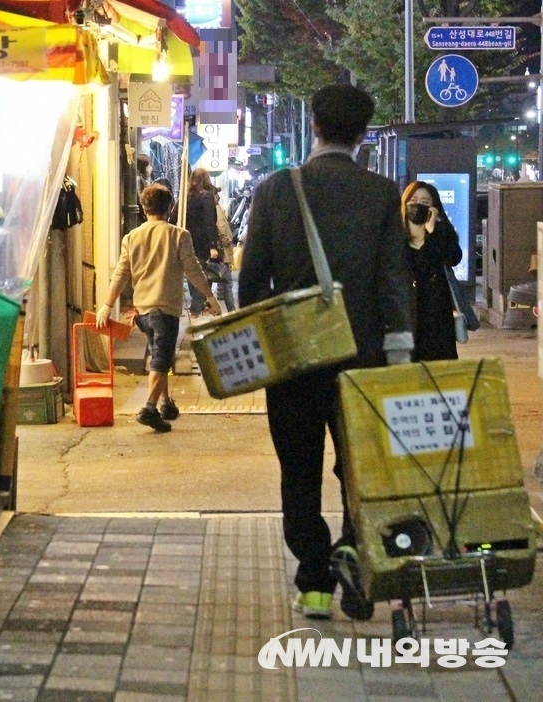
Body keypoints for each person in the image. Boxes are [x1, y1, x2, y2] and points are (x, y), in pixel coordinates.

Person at [238, 84, 413, 621]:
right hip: (363, 359)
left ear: (313, 125)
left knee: (299, 469)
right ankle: (354, 560)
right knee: (360, 469)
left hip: (293, 360)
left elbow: (250, 284)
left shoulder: (274, 191)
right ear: (364, 133)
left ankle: (313, 582)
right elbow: (392, 280)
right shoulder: (384, 194)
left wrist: (267, 346)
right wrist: (399, 355)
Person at [96, 183, 222, 432]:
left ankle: (166, 403)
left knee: (159, 356)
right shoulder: (178, 235)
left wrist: (106, 306)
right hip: (165, 309)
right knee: (161, 360)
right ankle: (149, 409)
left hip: (143, 311)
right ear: (170, 207)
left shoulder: (131, 237)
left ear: (144, 209)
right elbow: (193, 270)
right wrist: (211, 297)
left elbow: (121, 274)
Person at [401, 180, 463, 361]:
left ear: (433, 208)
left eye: (425, 202)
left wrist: (432, 233)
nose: (417, 205)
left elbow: (454, 258)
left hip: (437, 314)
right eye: (413, 200)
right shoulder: (395, 234)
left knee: (439, 370)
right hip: (407, 312)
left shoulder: (442, 232)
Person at [170, 168, 221, 318]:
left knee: (192, 276)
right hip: (201, 243)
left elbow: (172, 219)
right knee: (200, 275)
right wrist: (213, 245)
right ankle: (195, 309)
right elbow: (209, 222)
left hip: (184, 241)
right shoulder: (206, 197)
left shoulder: (185, 198)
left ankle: (196, 307)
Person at [208, 188, 236, 312]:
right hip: (222, 252)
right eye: (216, 194)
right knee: (227, 283)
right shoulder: (216, 209)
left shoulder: (210, 208)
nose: (218, 196)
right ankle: (232, 311)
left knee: (213, 281)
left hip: (217, 252)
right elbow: (222, 226)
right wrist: (227, 240)